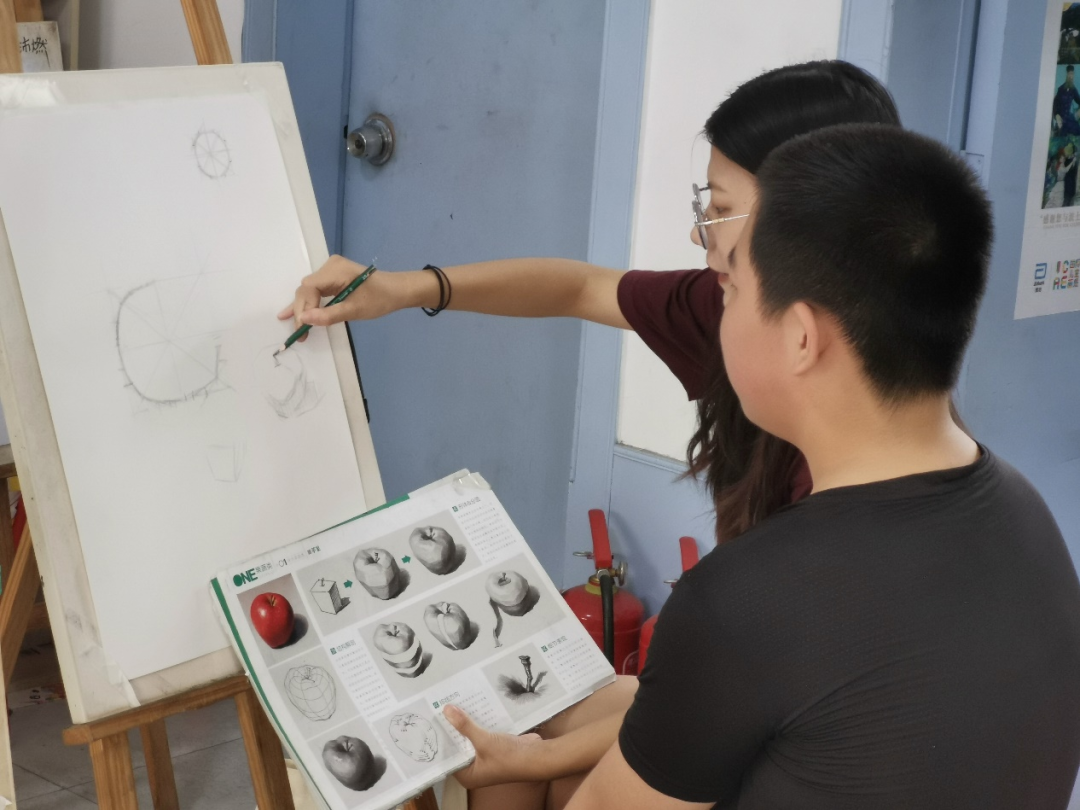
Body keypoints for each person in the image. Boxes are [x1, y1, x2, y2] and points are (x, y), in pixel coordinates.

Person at [469, 124, 1080, 808]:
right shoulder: (1029, 516)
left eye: (731, 289)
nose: (719, 309)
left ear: (800, 337)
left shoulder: (749, 599)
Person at [280, 60, 901, 547]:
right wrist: (403, 288)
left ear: (806, 219)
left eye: (719, 209)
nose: (699, 236)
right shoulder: (725, 305)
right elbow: (579, 287)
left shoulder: (859, 494)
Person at [1054, 65, 1080, 137]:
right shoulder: (1060, 89)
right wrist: (1057, 115)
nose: (1071, 76)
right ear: (1067, 75)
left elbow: (1079, 100)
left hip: (1069, 118)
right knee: (1061, 137)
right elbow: (1055, 104)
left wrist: (1078, 112)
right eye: (1069, 74)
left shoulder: (1073, 90)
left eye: (1072, 74)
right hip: (1061, 120)